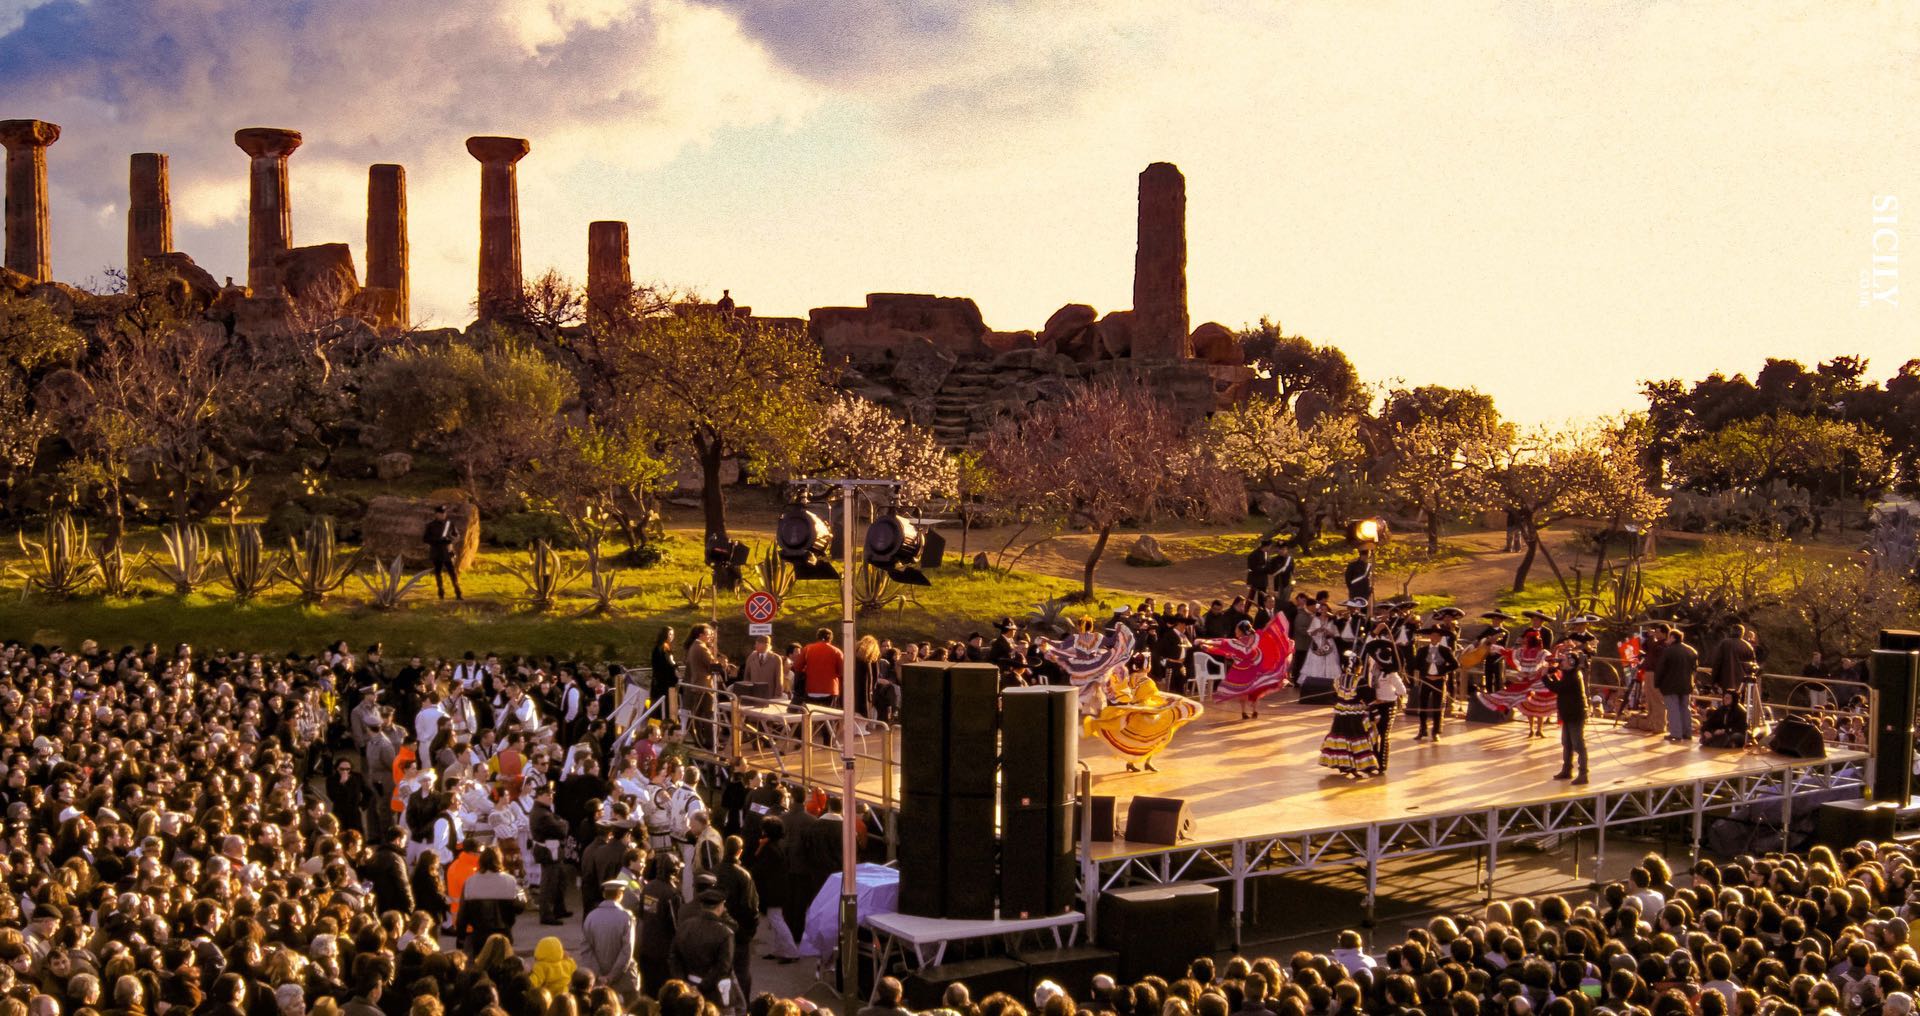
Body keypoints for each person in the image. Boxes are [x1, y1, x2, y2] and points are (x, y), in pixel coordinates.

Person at [1081, 653, 1204, 772]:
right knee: (1157, 737)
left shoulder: (1131, 678)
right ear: (1147, 666)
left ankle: (1135, 762)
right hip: (1148, 714)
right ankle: (1146, 762)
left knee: (1138, 741)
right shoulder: (1147, 681)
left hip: (1135, 713)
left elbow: (1128, 693)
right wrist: (1169, 702)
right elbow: (1153, 697)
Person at [1192, 616, 1294, 720]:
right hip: (1253, 670)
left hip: (1240, 671)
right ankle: (1254, 710)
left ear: (1241, 631)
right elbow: (1229, 653)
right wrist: (1208, 648)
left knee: (1242, 691)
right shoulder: (1255, 641)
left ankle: (1244, 712)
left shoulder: (1236, 643)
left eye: (1237, 629)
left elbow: (1222, 643)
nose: (1235, 631)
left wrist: (1204, 642)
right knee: (1254, 691)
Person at [672, 888, 738, 1004]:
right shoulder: (725, 933)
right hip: (714, 993)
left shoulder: (685, 926)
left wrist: (683, 982)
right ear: (720, 907)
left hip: (687, 989)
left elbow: (674, 957)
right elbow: (723, 967)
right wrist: (702, 987)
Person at [1319, 654, 1380, 778]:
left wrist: (1342, 703)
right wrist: (1376, 714)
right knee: (1356, 740)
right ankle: (1359, 766)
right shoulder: (1360, 681)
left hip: (1340, 715)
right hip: (1354, 716)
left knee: (1342, 739)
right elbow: (1369, 699)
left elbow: (1333, 696)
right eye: (1361, 666)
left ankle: (1345, 765)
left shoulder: (1338, 680)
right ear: (1357, 667)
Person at [583, 879, 642, 1007]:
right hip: (624, 981)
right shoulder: (626, 917)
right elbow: (627, 951)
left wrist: (599, 976)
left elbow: (586, 951)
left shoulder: (590, 917)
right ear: (620, 894)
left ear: (604, 895)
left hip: (599, 983)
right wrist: (611, 976)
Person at [1542, 649, 1590, 785]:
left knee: (1578, 744)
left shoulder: (1573, 676)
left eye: (1563, 661)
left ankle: (1583, 773)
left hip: (1575, 714)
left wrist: (1545, 677)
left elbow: (1557, 688)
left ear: (1571, 663)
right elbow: (1560, 685)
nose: (1561, 663)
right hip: (1568, 713)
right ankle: (1567, 769)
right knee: (1567, 743)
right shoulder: (1569, 674)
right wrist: (1553, 673)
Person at [1408, 625, 1458, 742]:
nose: (1434, 637)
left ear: (1440, 638)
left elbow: (1455, 664)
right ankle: (1422, 730)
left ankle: (1436, 731)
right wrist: (1424, 673)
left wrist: (1442, 673)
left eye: (1437, 636)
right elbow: (1415, 665)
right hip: (1426, 680)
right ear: (1430, 636)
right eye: (1433, 635)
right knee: (1423, 706)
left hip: (1439, 681)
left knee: (1438, 707)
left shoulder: (1445, 650)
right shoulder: (1422, 650)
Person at [1654, 623, 1700, 743]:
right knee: (1685, 708)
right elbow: (1695, 669)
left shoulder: (1668, 651)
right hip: (1686, 684)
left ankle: (1676, 733)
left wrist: (1657, 683)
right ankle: (1687, 732)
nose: (1667, 640)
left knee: (1673, 709)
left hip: (1670, 685)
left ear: (1673, 638)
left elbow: (1661, 669)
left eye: (1669, 637)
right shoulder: (1691, 651)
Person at [422, 504, 463, 600]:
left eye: (444, 513)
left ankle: (458, 592)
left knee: (452, 572)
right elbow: (425, 539)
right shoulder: (430, 525)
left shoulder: (449, 524)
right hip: (436, 551)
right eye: (440, 513)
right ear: (436, 514)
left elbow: (457, 536)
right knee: (438, 572)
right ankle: (441, 592)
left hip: (447, 551)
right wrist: (437, 540)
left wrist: (450, 539)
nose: (443, 515)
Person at [801, 628, 843, 708]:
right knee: (828, 718)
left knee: (811, 717)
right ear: (830, 638)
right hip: (830, 689)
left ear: (818, 637)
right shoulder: (837, 651)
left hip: (811, 689)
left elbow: (797, 667)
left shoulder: (808, 649)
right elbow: (841, 672)